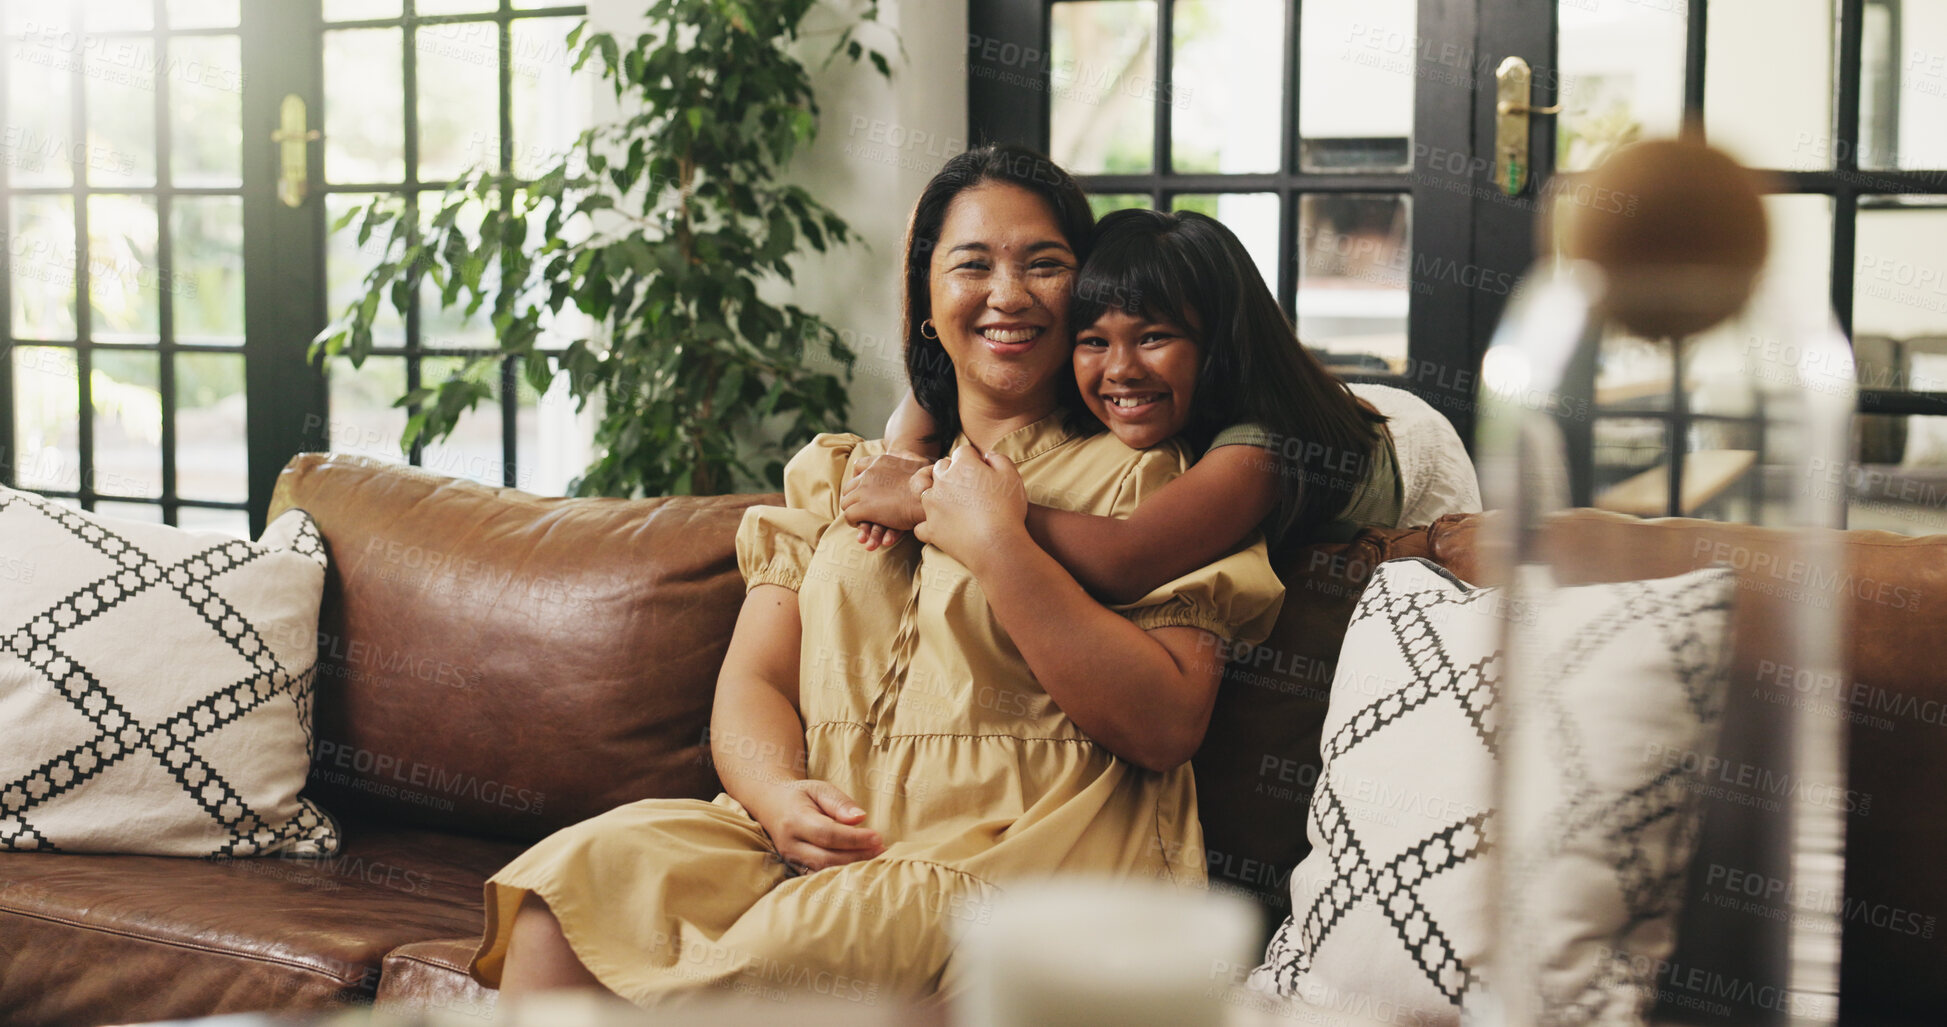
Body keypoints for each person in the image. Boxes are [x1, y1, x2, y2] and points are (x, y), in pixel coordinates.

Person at [466, 146, 1284, 1006]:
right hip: (808, 842)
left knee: (801, 941)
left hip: (1010, 858)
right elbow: (756, 678)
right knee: (569, 887)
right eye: (971, 264)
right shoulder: (846, 476)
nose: (1007, 294)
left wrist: (997, 542)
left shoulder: (1144, 479)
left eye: (1043, 265)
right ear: (927, 299)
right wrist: (779, 795)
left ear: (1085, 291)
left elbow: (1163, 722)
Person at [843, 208, 1481, 603]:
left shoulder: (1266, 445)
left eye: (1154, 337)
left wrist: (934, 495)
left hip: (1415, 443)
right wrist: (907, 450)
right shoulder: (1108, 375)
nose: (1120, 368)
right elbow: (928, 395)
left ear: (1218, 342)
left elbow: (1128, 559)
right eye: (1094, 339)